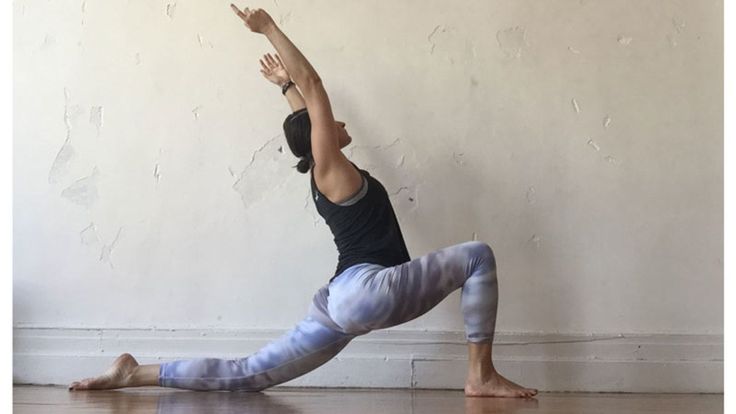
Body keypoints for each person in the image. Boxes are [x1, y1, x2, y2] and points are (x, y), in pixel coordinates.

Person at [68, 5, 537, 398]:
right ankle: (480, 375)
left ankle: (135, 372)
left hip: (339, 301)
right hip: (367, 290)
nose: (339, 122)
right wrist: (268, 29)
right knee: (477, 257)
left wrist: (283, 88)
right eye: (329, 123)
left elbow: (303, 113)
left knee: (249, 374)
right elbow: (315, 89)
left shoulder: (322, 175)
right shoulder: (331, 166)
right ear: (321, 137)